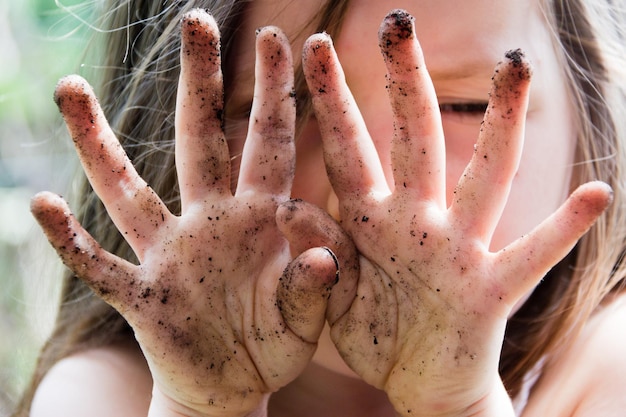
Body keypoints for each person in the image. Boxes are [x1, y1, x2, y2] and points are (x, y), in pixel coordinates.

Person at [13, 0, 626, 416]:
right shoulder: (105, 393)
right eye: (280, 110)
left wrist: (460, 403)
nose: (376, 188)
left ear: (590, 119)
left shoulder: (602, 371)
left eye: (463, 106)